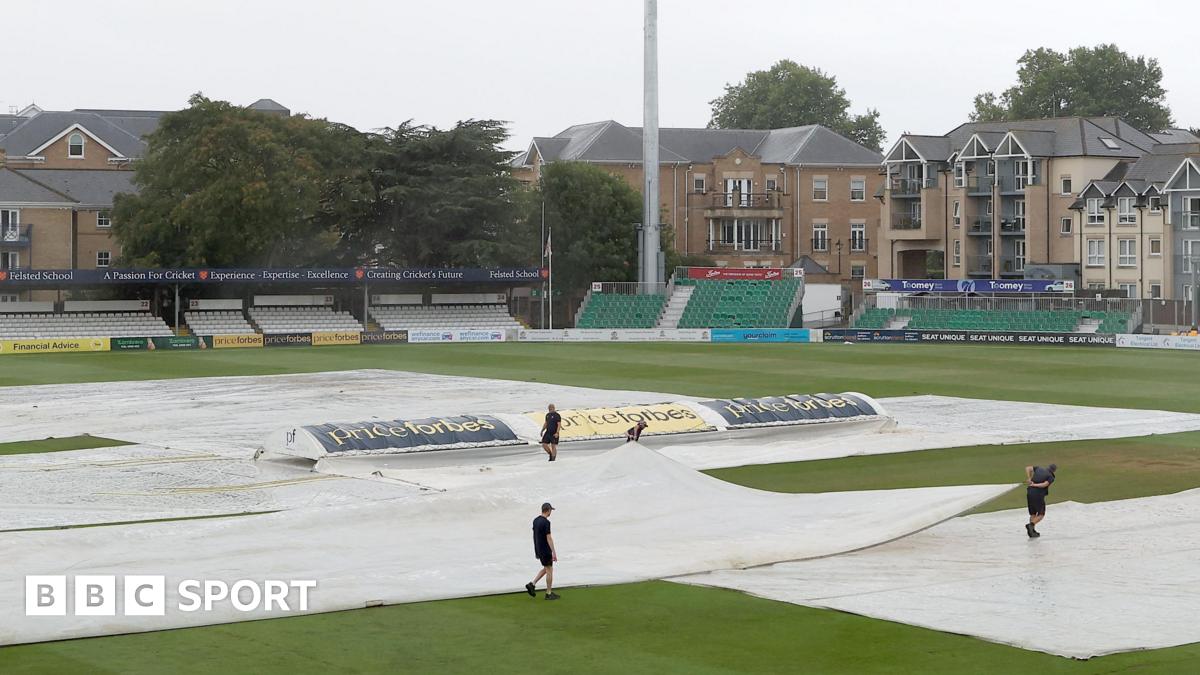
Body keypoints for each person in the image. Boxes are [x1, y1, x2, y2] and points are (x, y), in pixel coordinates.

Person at [525, 502, 559, 600]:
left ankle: (532, 584)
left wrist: (536, 550)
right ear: (548, 510)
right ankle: (548, 593)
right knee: (549, 570)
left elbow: (535, 535)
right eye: (550, 510)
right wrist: (554, 552)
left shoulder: (535, 520)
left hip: (539, 549)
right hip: (545, 550)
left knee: (546, 568)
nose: (550, 512)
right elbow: (549, 538)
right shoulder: (546, 522)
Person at [1025, 463, 1057, 538]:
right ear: (1054, 471)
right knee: (1041, 514)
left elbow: (1028, 468)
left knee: (1033, 513)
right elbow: (1044, 485)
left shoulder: (1039, 468)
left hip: (1029, 492)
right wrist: (1034, 485)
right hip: (1038, 495)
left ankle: (1032, 531)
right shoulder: (1051, 477)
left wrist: (1029, 478)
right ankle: (1031, 525)